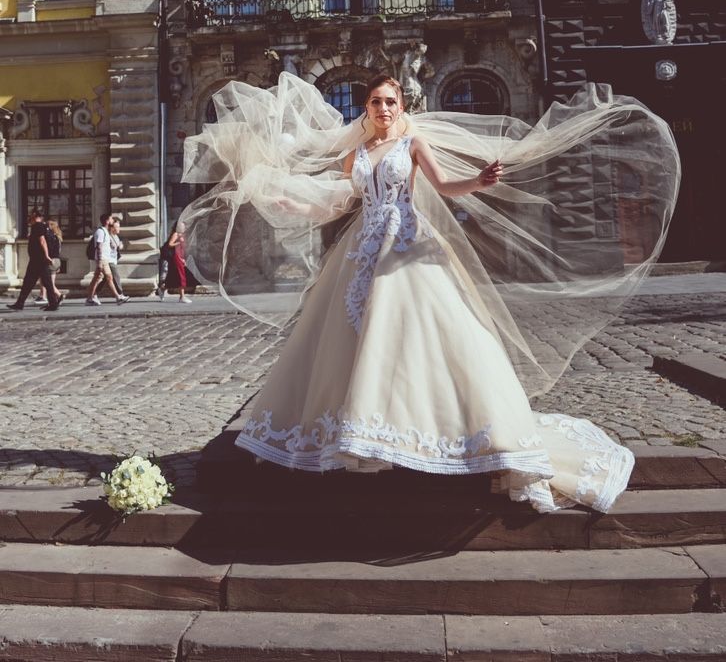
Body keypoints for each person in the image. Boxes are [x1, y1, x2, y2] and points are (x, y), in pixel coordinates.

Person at [178, 72, 680, 513]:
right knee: (348, 339)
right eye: (375, 102)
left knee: (419, 334)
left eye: (390, 101)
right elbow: (334, 203)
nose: (383, 109)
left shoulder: (411, 146)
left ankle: (443, 432)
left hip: (407, 244)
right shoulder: (356, 153)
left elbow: (443, 186)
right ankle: (360, 436)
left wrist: (478, 181)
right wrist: (291, 203)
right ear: (366, 110)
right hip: (360, 251)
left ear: (402, 106)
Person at [7, 210, 62, 312]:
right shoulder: (45, 226)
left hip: (38, 260)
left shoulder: (37, 226)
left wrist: (46, 256)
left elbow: (42, 241)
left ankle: (21, 303)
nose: (29, 217)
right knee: (39, 282)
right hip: (39, 259)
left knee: (33, 282)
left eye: (31, 215)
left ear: (35, 216)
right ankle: (52, 303)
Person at [86, 213, 129, 306]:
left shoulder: (105, 231)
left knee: (98, 279)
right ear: (107, 221)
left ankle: (90, 298)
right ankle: (117, 297)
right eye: (111, 219)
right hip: (102, 259)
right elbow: (99, 246)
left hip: (104, 259)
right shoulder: (100, 231)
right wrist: (100, 260)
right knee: (106, 278)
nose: (112, 220)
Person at [34, 220, 63, 305]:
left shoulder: (49, 237)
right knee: (50, 281)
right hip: (56, 260)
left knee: (47, 281)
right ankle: (45, 296)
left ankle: (58, 295)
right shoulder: (58, 237)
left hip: (50, 260)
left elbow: (48, 249)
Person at [164, 221, 191, 303]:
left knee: (175, 276)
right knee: (181, 276)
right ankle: (182, 297)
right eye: (182, 226)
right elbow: (170, 244)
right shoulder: (176, 234)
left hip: (180, 257)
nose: (184, 228)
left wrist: (184, 259)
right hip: (176, 256)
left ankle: (163, 288)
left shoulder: (182, 235)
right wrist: (178, 242)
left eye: (184, 226)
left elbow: (182, 249)